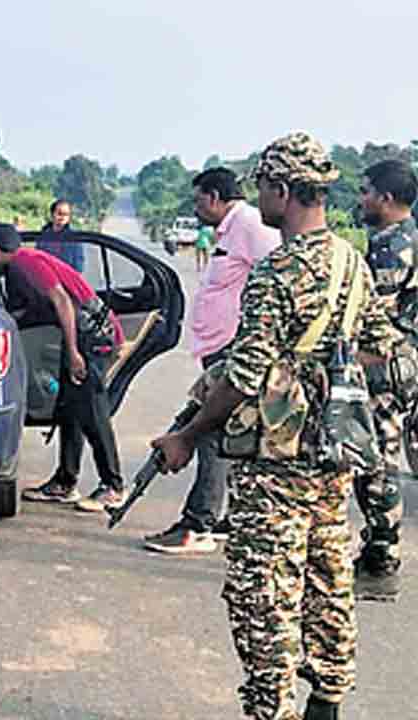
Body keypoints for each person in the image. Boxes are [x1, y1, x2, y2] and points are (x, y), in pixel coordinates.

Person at [153, 132, 398, 720]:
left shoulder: (277, 271)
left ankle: (274, 711)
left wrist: (189, 435)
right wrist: (322, 369)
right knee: (327, 576)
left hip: (277, 463)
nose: (258, 196)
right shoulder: (351, 261)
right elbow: (380, 348)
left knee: (264, 598)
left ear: (283, 191)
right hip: (334, 454)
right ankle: (329, 700)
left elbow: (245, 373)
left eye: (263, 186)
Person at [144, 168, 279, 554]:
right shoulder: (228, 231)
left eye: (199, 199)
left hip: (236, 352)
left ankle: (197, 523)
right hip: (218, 350)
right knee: (223, 434)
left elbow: (279, 271)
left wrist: (248, 338)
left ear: (217, 197)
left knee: (209, 433)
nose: (196, 207)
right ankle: (221, 519)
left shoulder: (250, 225)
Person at [0, 224, 127, 513]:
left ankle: (113, 486)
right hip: (88, 334)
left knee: (93, 412)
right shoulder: (28, 260)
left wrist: (73, 352)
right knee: (69, 410)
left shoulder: (24, 265)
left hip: (91, 338)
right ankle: (65, 482)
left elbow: (62, 303)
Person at [354, 158, 418, 601]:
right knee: (382, 455)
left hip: (386, 362)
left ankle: (381, 560)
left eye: (366, 191)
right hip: (408, 360)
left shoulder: (390, 245)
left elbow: (377, 313)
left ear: (386, 198)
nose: (362, 200)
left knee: (376, 462)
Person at [37, 199, 85, 272]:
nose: (62, 217)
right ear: (52, 214)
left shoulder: (74, 239)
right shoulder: (43, 237)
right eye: (59, 213)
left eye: (66, 214)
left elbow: (78, 268)